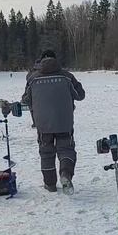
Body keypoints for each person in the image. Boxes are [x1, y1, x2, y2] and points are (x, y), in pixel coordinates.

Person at [22, 50, 85, 194]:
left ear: (41, 61)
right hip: (64, 122)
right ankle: (65, 175)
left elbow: (25, 100)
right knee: (66, 150)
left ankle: (50, 184)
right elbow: (80, 95)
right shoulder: (67, 76)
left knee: (46, 153)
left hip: (43, 124)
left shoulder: (33, 78)